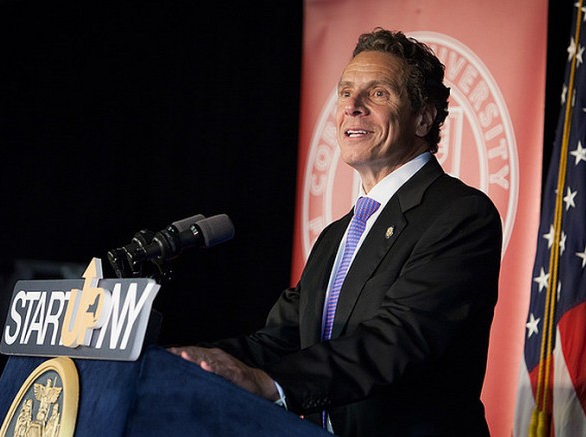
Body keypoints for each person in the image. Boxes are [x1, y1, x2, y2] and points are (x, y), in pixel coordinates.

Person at [169, 28, 502, 437]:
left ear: (423, 118)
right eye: (346, 92)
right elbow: (282, 340)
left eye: (378, 93)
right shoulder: (336, 236)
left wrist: (269, 383)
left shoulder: (459, 214)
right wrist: (179, 361)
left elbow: (396, 340)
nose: (352, 107)